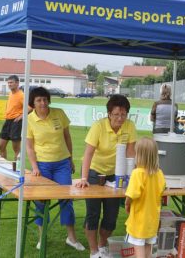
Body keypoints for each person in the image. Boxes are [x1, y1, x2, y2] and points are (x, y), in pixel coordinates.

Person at [76, 94, 137, 258]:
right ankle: (94, 250)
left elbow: (131, 153)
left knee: (111, 215)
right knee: (93, 213)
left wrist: (132, 177)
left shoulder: (129, 126)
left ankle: (103, 246)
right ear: (109, 114)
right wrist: (84, 178)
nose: (120, 118)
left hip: (117, 174)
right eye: (116, 114)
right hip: (95, 172)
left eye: (123, 114)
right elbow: (88, 153)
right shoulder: (98, 126)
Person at [26, 87, 84, 251]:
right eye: (39, 100)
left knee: (66, 200)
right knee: (41, 202)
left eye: (45, 99)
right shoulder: (29, 120)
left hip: (62, 164)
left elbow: (67, 137)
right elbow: (29, 147)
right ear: (33, 102)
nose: (43, 103)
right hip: (42, 165)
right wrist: (35, 167)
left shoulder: (59, 113)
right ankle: (42, 237)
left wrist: (70, 159)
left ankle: (71, 238)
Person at [125, 137, 165, 258]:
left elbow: (132, 195)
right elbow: (161, 190)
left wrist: (127, 204)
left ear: (139, 155)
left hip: (139, 220)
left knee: (138, 247)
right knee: (148, 245)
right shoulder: (159, 173)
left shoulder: (137, 173)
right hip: (153, 219)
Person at [0, 75, 25, 159]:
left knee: (16, 148)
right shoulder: (11, 93)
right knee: (1, 146)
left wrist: (21, 116)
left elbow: (30, 107)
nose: (9, 84)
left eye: (11, 82)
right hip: (8, 121)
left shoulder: (21, 95)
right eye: (8, 83)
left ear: (17, 83)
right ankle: (3, 167)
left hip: (16, 122)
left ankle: (17, 170)